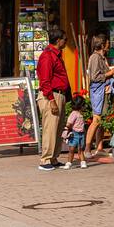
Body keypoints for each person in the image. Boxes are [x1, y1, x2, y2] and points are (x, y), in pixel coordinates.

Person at [36, 28, 71, 171]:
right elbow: (45, 80)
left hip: (59, 94)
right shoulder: (47, 56)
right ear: (58, 40)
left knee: (57, 129)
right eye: (65, 39)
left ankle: (53, 158)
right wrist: (51, 100)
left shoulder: (56, 55)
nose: (66, 42)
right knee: (50, 128)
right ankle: (45, 160)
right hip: (51, 95)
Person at [85, 33, 114, 158]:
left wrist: (113, 71)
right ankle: (87, 149)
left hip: (103, 90)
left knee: (101, 120)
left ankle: (99, 147)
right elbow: (95, 77)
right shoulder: (95, 58)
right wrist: (112, 72)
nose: (109, 46)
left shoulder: (101, 58)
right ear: (102, 45)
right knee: (96, 120)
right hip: (98, 91)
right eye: (107, 43)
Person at [61, 95, 88, 169]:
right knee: (71, 149)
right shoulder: (74, 114)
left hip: (81, 134)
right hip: (75, 134)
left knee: (81, 149)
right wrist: (68, 129)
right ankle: (69, 162)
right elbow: (69, 123)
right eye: (83, 105)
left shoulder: (80, 114)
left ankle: (83, 162)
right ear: (80, 105)